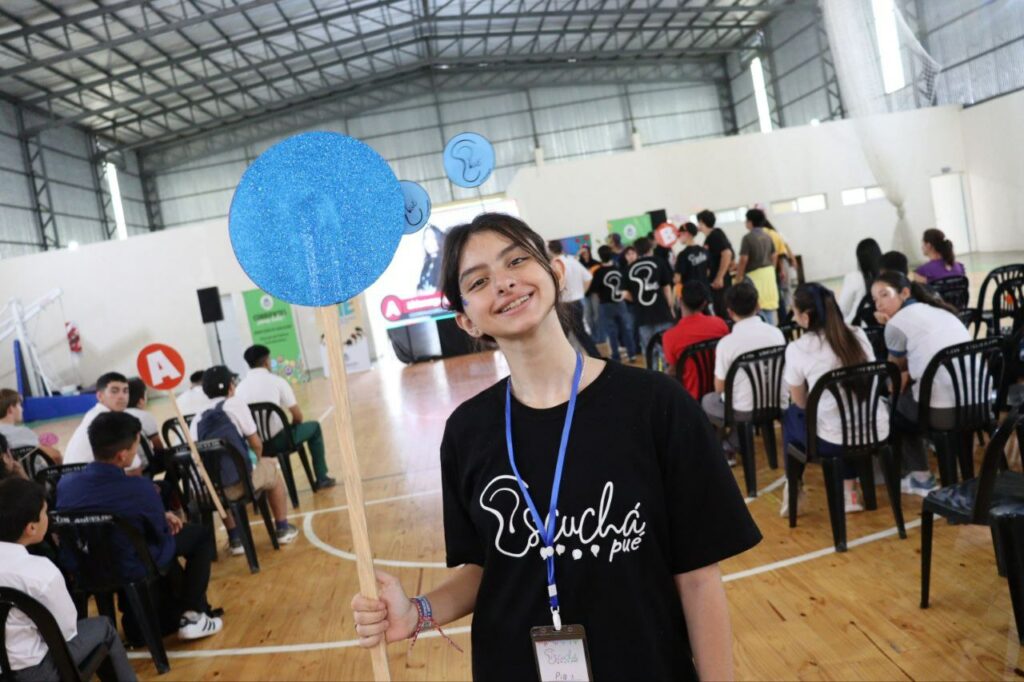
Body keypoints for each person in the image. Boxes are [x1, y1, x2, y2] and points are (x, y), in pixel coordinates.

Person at [350, 213, 761, 681]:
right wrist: (417, 613)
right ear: (466, 320)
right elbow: (487, 568)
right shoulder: (467, 432)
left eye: (517, 261)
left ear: (557, 272)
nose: (503, 283)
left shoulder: (657, 406)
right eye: (479, 281)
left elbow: (699, 578)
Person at [57, 412, 223, 642]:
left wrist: (158, 515)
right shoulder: (138, 488)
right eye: (136, 447)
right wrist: (161, 518)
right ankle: (193, 612)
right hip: (129, 564)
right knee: (199, 536)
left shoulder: (67, 484)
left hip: (86, 566)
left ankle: (180, 610)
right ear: (122, 455)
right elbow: (159, 534)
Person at [0, 478, 138, 682]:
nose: (47, 517)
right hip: (34, 673)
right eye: (45, 512)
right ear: (31, 528)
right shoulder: (39, 572)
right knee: (104, 627)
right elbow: (67, 631)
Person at [780, 283, 884, 516]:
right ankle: (850, 491)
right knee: (840, 416)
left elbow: (800, 402)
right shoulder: (857, 334)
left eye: (794, 312)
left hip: (834, 440)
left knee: (793, 416)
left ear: (806, 317)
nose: (793, 318)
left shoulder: (798, 348)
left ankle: (793, 484)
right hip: (875, 429)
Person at [871, 271, 966, 496]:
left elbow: (894, 378)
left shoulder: (896, 325)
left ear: (905, 293)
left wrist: (889, 326)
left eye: (884, 295)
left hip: (945, 411)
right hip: (977, 401)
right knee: (910, 392)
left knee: (895, 403)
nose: (879, 304)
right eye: (874, 299)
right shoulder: (940, 310)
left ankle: (921, 477)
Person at [189, 366, 298, 549]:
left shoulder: (197, 418)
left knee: (219, 480)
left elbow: (195, 457)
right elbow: (256, 444)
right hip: (239, 484)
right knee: (272, 469)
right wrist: (256, 462)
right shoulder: (235, 405)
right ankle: (282, 529)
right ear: (231, 387)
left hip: (211, 491)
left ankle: (235, 539)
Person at [701, 282, 786, 460]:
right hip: (777, 403)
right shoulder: (776, 333)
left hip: (744, 411)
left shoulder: (726, 344)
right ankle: (735, 441)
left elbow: (719, 388)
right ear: (758, 306)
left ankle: (730, 445)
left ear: (730, 312)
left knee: (709, 401)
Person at [235, 344, 335, 490]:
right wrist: (293, 426)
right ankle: (322, 477)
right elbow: (297, 416)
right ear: (266, 362)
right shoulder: (277, 381)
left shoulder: (239, 389)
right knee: (314, 427)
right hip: (280, 441)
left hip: (255, 447)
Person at [63, 373, 143, 473]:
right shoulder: (110, 421)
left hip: (73, 476)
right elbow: (133, 468)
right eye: (114, 391)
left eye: (125, 391)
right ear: (100, 396)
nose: (122, 396)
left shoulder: (94, 413)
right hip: (90, 477)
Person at [662, 282, 729, 400]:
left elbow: (673, 371)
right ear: (704, 304)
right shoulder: (720, 324)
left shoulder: (670, 336)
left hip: (690, 396)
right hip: (719, 390)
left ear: (680, 301)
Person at [547, 241, 602, 359]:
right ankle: (595, 357)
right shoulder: (573, 261)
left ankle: (560, 359)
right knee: (576, 333)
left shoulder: (554, 265)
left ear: (550, 251)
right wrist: (582, 292)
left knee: (566, 334)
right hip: (577, 302)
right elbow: (588, 277)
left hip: (565, 304)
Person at [626, 237, 676, 357]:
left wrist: (637, 300)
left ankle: (652, 369)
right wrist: (670, 307)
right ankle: (667, 369)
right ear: (650, 248)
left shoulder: (630, 268)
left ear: (637, 251)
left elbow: (625, 294)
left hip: (642, 314)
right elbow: (666, 287)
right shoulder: (659, 262)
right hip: (662, 311)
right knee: (666, 347)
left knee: (649, 349)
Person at [590, 245, 638, 361]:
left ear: (600, 256)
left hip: (605, 305)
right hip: (620, 303)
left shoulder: (598, 272)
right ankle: (632, 354)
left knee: (612, 333)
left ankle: (616, 357)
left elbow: (594, 290)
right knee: (626, 330)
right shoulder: (618, 269)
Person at [735, 209, 780, 325]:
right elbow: (774, 255)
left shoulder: (748, 238)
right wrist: (772, 269)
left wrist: (738, 278)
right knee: (769, 309)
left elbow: (743, 259)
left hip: (754, 277)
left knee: (756, 309)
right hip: (769, 275)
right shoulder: (767, 236)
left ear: (750, 222)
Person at [0, 389, 63, 464]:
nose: (22, 409)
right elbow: (55, 456)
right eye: (19, 405)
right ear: (10, 409)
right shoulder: (23, 433)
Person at [697, 209, 734, 321]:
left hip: (719, 283)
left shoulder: (715, 235)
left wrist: (719, 277)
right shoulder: (710, 238)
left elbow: (727, 253)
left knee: (723, 311)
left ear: (702, 222)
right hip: (714, 282)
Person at [838, 238, 883, 324]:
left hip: (857, 325)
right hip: (882, 324)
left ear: (859, 259)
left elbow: (842, 308)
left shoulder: (854, 277)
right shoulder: (887, 275)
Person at [126, 377, 166, 460]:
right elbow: (158, 445)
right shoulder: (144, 416)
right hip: (147, 462)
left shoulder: (116, 415)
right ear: (141, 399)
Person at [673, 222, 711, 289]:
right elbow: (708, 272)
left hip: (690, 292)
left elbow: (677, 279)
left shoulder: (683, 255)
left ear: (686, 234)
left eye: (679, 235)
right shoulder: (704, 250)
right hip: (705, 289)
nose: (678, 238)